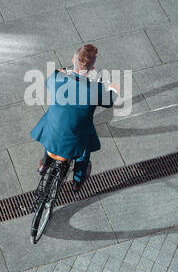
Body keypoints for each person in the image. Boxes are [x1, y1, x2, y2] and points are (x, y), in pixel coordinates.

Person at [30, 44, 119, 193]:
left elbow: (50, 80)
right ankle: (78, 181)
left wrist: (66, 70)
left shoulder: (57, 77)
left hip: (50, 133)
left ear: (73, 60)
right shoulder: (95, 89)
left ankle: (44, 164)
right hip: (75, 140)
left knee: (55, 123)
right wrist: (114, 88)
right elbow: (109, 102)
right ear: (92, 69)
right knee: (84, 148)